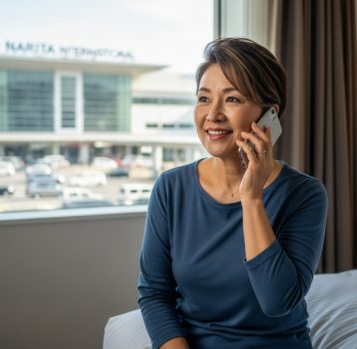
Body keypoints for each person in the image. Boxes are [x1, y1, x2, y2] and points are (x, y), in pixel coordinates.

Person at [138, 37, 328, 349]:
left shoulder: (304, 194)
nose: (212, 115)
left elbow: (277, 301)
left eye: (232, 99)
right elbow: (155, 293)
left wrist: (252, 198)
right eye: (203, 99)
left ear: (269, 115)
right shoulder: (171, 188)